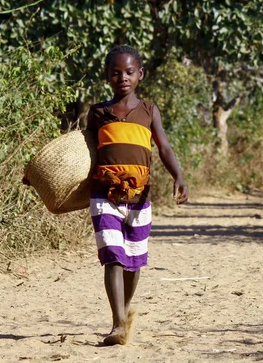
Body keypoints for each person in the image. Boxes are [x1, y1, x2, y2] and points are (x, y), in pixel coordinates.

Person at [86, 45, 189, 345]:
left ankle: (124, 311)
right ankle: (118, 323)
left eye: (129, 72)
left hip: (139, 196)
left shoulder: (149, 111)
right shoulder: (98, 113)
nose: (123, 78)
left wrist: (179, 177)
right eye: (116, 73)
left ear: (140, 74)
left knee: (133, 260)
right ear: (107, 76)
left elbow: (165, 148)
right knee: (112, 256)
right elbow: (85, 154)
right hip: (104, 194)